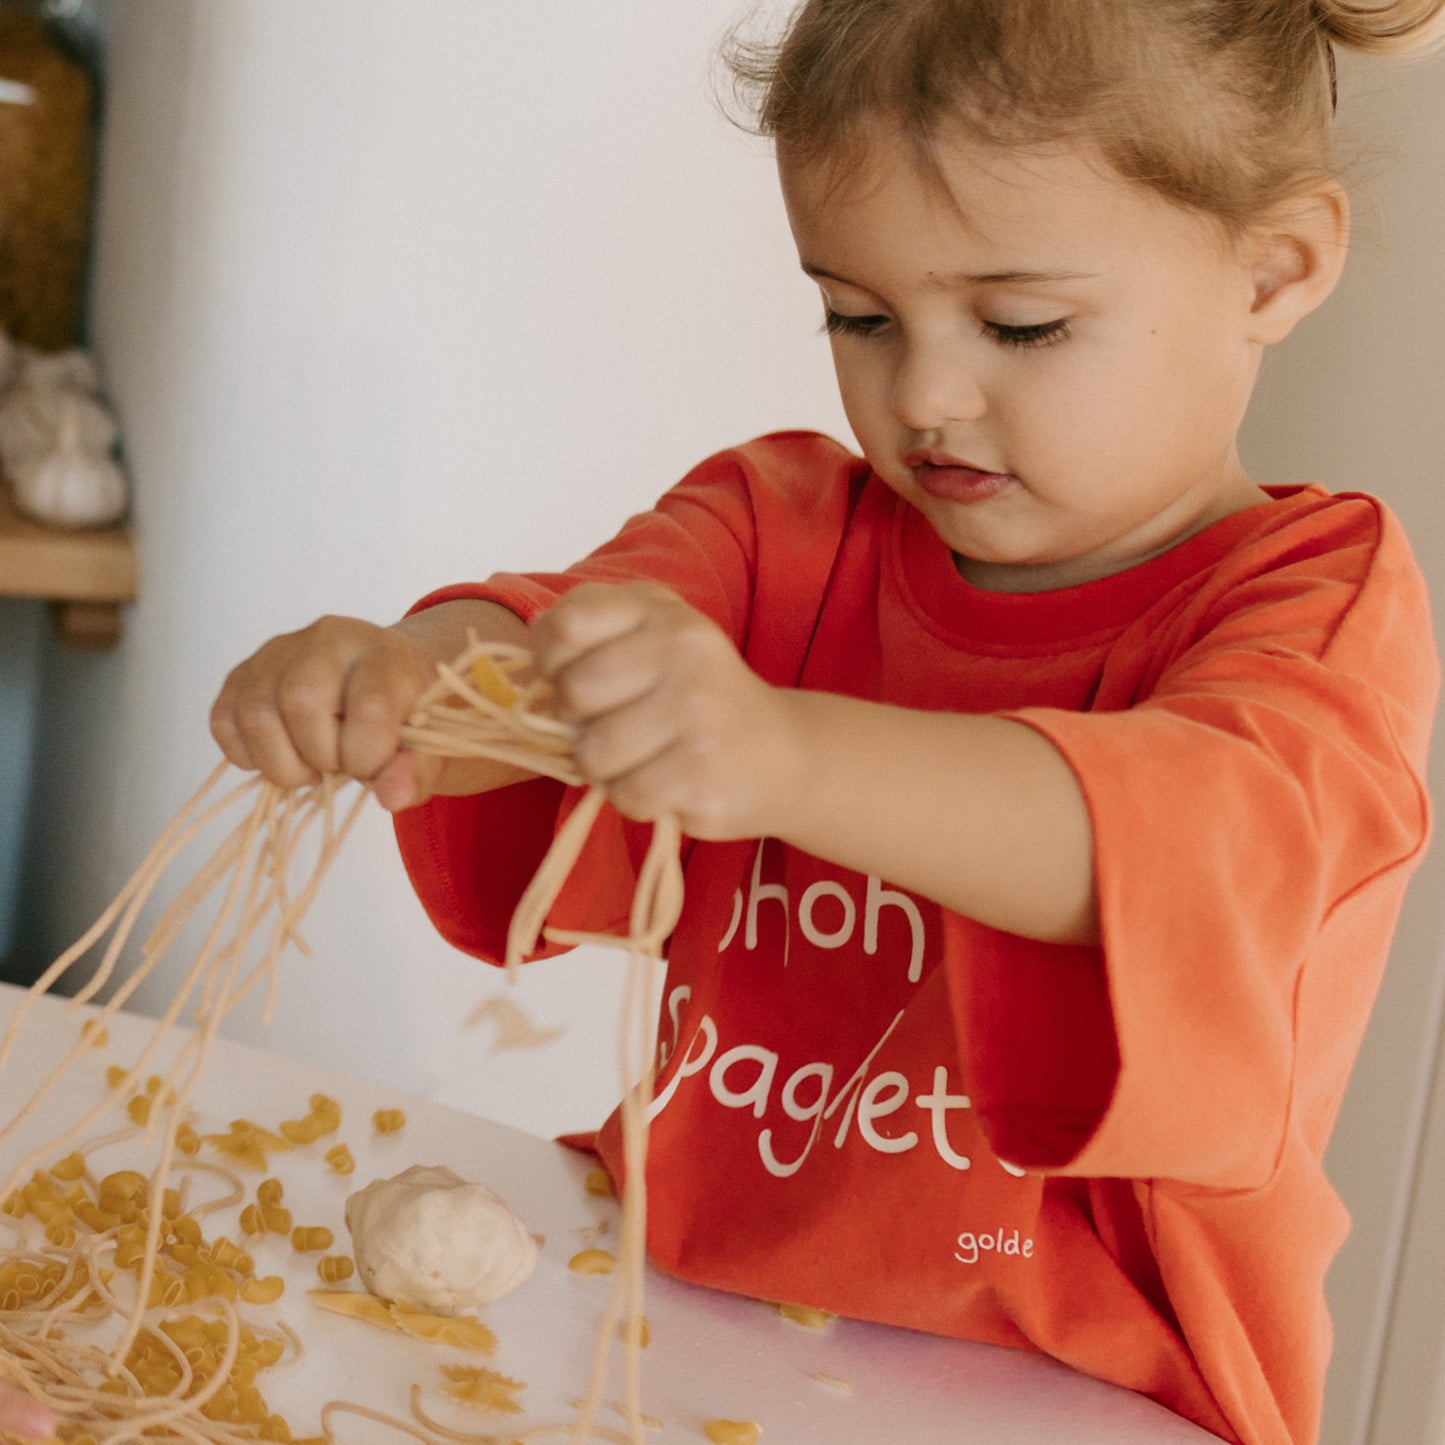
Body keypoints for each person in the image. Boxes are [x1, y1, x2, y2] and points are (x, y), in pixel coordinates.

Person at [6, 2, 1440, 1442]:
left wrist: (787, 755)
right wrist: (405, 678)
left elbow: (1180, 841)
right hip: (677, 1310)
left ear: (1274, 267)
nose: (925, 395)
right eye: (858, 313)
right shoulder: (780, 522)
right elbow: (548, 653)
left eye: (1019, 323)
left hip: (1090, 1385)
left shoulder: (1310, 604)